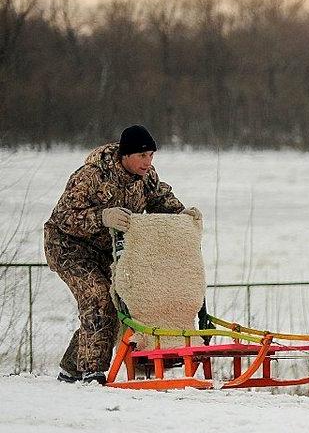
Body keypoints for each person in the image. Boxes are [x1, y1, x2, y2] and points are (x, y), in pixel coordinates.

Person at [43, 125, 201, 384]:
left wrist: (183, 218)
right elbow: (63, 217)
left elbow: (161, 199)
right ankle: (91, 371)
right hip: (69, 246)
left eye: (151, 155)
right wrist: (101, 217)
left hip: (108, 249)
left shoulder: (146, 177)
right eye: (142, 156)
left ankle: (70, 368)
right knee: (98, 296)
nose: (148, 162)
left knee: (119, 304)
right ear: (125, 156)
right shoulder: (91, 176)